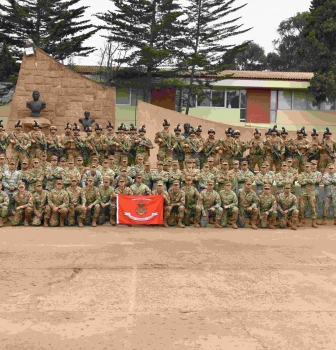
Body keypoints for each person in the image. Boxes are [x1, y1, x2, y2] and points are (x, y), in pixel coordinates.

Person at [297, 163, 318, 228]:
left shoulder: (314, 174)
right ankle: (301, 221)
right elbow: (300, 182)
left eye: (308, 167)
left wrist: (306, 180)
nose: (307, 168)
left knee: (313, 207)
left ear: (310, 167)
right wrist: (309, 181)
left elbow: (314, 181)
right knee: (302, 208)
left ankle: (313, 222)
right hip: (303, 193)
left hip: (311, 194)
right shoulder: (301, 174)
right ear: (304, 167)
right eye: (306, 167)